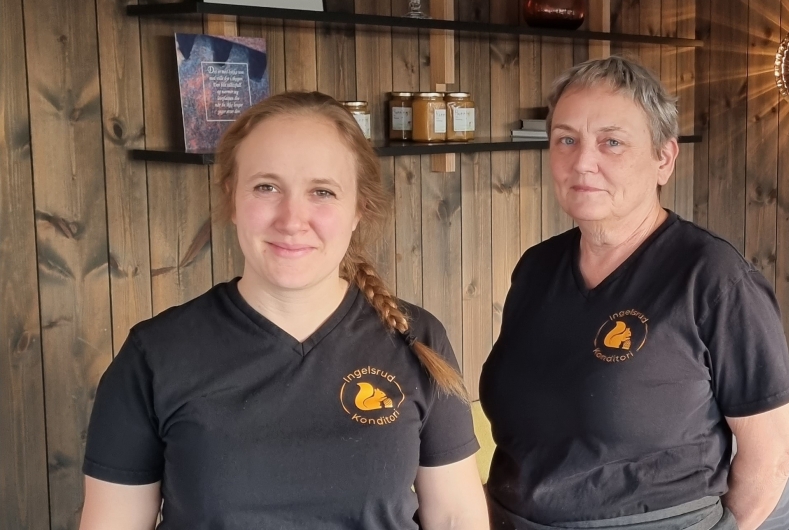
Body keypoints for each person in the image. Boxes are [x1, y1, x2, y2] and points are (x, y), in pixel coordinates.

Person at [79, 91, 488, 530]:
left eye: (323, 192)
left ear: (358, 210)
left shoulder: (416, 337)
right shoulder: (154, 354)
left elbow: (455, 516)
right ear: (232, 198)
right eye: (266, 187)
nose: (292, 219)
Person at [479, 56, 789, 530]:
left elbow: (776, 450)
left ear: (664, 159)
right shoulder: (537, 267)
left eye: (611, 142)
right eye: (566, 140)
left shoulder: (712, 278)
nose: (582, 161)